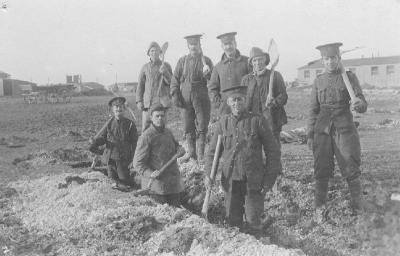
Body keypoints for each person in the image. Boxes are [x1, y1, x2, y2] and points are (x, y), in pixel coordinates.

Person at [205, 86, 282, 237]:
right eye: (233, 100)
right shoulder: (223, 123)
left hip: (253, 183)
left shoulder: (257, 121)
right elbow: (212, 152)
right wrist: (208, 174)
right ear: (228, 102)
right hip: (231, 182)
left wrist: (268, 181)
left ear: (245, 100)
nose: (236, 103)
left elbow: (273, 152)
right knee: (233, 224)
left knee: (254, 222)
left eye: (239, 99)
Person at [307, 42, 368, 222]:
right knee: (322, 168)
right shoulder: (318, 81)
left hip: (344, 128)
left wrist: (359, 104)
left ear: (338, 59)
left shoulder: (349, 78)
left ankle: (359, 208)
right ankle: (319, 209)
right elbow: (312, 110)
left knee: (350, 165)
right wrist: (310, 135)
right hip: (322, 130)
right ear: (322, 61)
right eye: (326, 59)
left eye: (333, 58)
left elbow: (362, 102)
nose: (330, 62)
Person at [170, 34, 213, 162]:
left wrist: (208, 73)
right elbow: (175, 79)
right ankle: (191, 153)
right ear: (188, 46)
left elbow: (214, 80)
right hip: (185, 97)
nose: (193, 47)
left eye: (196, 44)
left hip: (201, 96)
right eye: (191, 44)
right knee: (188, 126)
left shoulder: (207, 61)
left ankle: (200, 155)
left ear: (200, 45)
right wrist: (175, 94)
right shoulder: (182, 61)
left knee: (202, 125)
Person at [133, 103, 185, 206]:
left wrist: (180, 149)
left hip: (173, 185)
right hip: (156, 187)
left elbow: (176, 146)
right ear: (151, 118)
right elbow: (137, 163)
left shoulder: (168, 132)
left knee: (178, 216)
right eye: (157, 116)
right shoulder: (146, 137)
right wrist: (150, 173)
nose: (160, 118)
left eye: (162, 115)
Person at [89, 97, 138, 189]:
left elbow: (135, 143)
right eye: (116, 107)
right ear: (113, 109)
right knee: (112, 182)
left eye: (121, 107)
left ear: (124, 109)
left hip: (123, 159)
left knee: (124, 182)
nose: (118, 109)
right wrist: (94, 141)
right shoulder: (108, 124)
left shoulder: (130, 124)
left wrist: (133, 159)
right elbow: (103, 139)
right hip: (110, 158)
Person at [243, 47, 288, 147]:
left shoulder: (275, 75)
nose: (258, 63)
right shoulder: (246, 79)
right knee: (254, 148)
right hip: (253, 119)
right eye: (254, 60)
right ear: (251, 63)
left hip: (272, 118)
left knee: (273, 148)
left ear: (265, 60)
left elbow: (284, 96)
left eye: (260, 59)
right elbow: (243, 101)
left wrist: (274, 102)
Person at [208, 32, 250, 116]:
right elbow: (212, 89)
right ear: (222, 47)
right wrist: (219, 104)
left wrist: (249, 101)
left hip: (244, 106)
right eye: (225, 44)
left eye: (230, 43)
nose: (228, 47)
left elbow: (254, 82)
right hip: (225, 109)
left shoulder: (247, 62)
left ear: (235, 44)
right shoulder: (218, 67)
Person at [136, 41, 173, 131]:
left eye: (156, 51)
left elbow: (171, 83)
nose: (154, 53)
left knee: (161, 128)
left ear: (160, 53)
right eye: (152, 51)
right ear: (148, 53)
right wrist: (139, 101)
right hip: (148, 104)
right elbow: (140, 85)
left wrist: (165, 72)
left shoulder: (166, 65)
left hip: (161, 104)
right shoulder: (145, 67)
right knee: (146, 128)